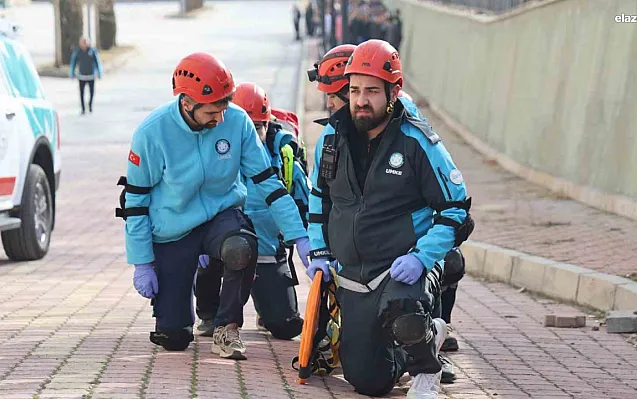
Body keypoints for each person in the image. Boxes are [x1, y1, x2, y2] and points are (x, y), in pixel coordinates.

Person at [306, 39, 473, 398]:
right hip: (354, 278)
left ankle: (426, 369)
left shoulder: (418, 142)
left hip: (403, 267)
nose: (361, 99)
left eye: (371, 91)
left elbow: (456, 210)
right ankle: (425, 336)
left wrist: (422, 257)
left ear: (392, 92)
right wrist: (318, 251)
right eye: (353, 90)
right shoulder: (331, 140)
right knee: (368, 382)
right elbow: (318, 199)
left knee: (405, 311)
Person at [117, 52, 311, 360]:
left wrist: (299, 235)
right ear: (186, 103)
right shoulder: (151, 133)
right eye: (213, 110)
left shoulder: (236, 122)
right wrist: (141, 261)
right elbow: (136, 201)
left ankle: (226, 328)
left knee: (241, 246)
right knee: (174, 338)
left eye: (225, 105)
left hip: (222, 217)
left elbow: (267, 182)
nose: (221, 117)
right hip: (174, 228)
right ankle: (178, 316)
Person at [194, 82, 310, 341]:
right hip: (223, 251)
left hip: (267, 251)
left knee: (284, 327)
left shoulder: (284, 158)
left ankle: (267, 309)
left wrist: (305, 239)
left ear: (268, 124)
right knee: (209, 264)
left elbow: (304, 202)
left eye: (258, 127)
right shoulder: (218, 154)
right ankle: (209, 314)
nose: (251, 133)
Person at [68, 37, 103, 115]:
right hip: (82, 76)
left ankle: (90, 105)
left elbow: (97, 62)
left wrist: (99, 73)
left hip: (91, 76)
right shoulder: (78, 52)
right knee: (81, 93)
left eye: (85, 42)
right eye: (82, 42)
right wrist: (72, 73)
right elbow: (73, 63)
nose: (84, 44)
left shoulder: (92, 51)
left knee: (91, 92)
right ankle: (83, 108)